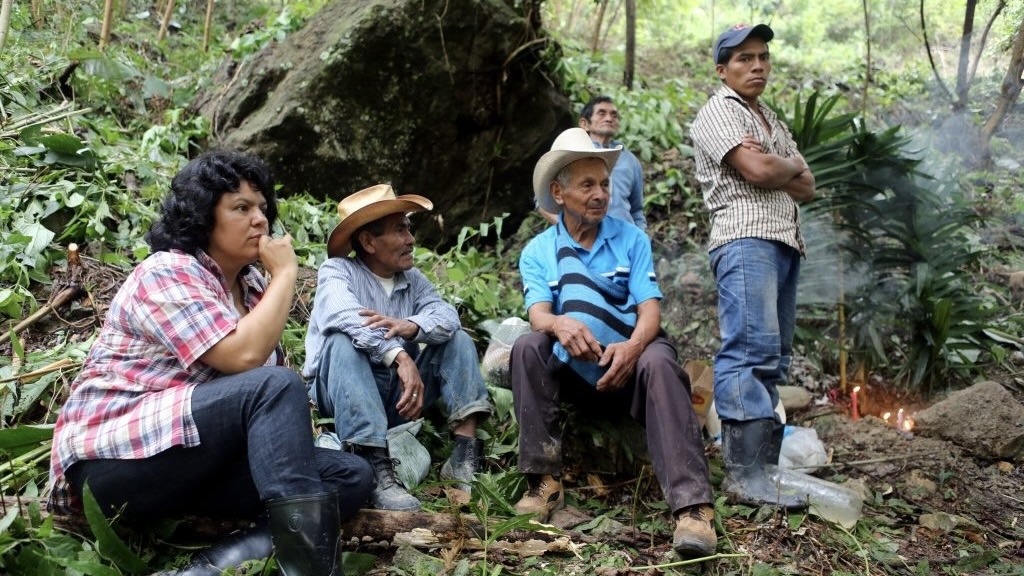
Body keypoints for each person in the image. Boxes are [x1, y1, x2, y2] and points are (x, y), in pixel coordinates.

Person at [48, 150, 374, 576]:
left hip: (192, 464)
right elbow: (244, 357)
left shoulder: (254, 289)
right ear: (203, 217)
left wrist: (273, 282)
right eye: (241, 208)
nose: (260, 220)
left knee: (351, 475)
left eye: (262, 208)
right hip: (114, 464)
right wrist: (287, 275)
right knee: (274, 384)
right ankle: (312, 571)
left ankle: (204, 570)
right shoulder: (166, 271)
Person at [511, 127, 717, 559]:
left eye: (604, 184)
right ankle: (543, 482)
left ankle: (693, 509)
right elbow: (538, 313)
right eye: (587, 185)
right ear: (558, 192)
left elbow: (649, 312)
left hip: (630, 360)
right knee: (529, 346)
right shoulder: (538, 252)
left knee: (661, 361)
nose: (600, 194)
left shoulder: (631, 239)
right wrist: (558, 324)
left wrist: (633, 347)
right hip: (575, 370)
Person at [303, 184, 493, 512]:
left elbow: (447, 316)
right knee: (342, 342)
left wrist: (413, 326)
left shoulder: (413, 279)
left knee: (457, 338)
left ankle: (464, 453)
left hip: (398, 398)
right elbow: (344, 316)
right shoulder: (337, 271)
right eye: (399, 230)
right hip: (343, 395)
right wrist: (400, 354)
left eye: (408, 228)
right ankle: (374, 466)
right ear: (367, 241)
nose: (411, 239)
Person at [689, 23, 816, 508]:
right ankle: (743, 474)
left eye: (762, 56)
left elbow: (807, 187)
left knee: (774, 356)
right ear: (723, 70)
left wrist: (779, 166)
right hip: (745, 239)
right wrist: (785, 165)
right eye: (743, 58)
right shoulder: (718, 111)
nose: (757, 65)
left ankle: (761, 471)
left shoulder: (771, 121)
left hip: (783, 241)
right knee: (749, 349)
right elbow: (762, 171)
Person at [538, 96, 647, 230]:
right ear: (584, 124)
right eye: (601, 113)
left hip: (624, 242)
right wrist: (572, 232)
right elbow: (542, 202)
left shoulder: (629, 159)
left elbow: (636, 210)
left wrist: (640, 237)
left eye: (614, 115)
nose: (609, 118)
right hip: (583, 241)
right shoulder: (572, 154)